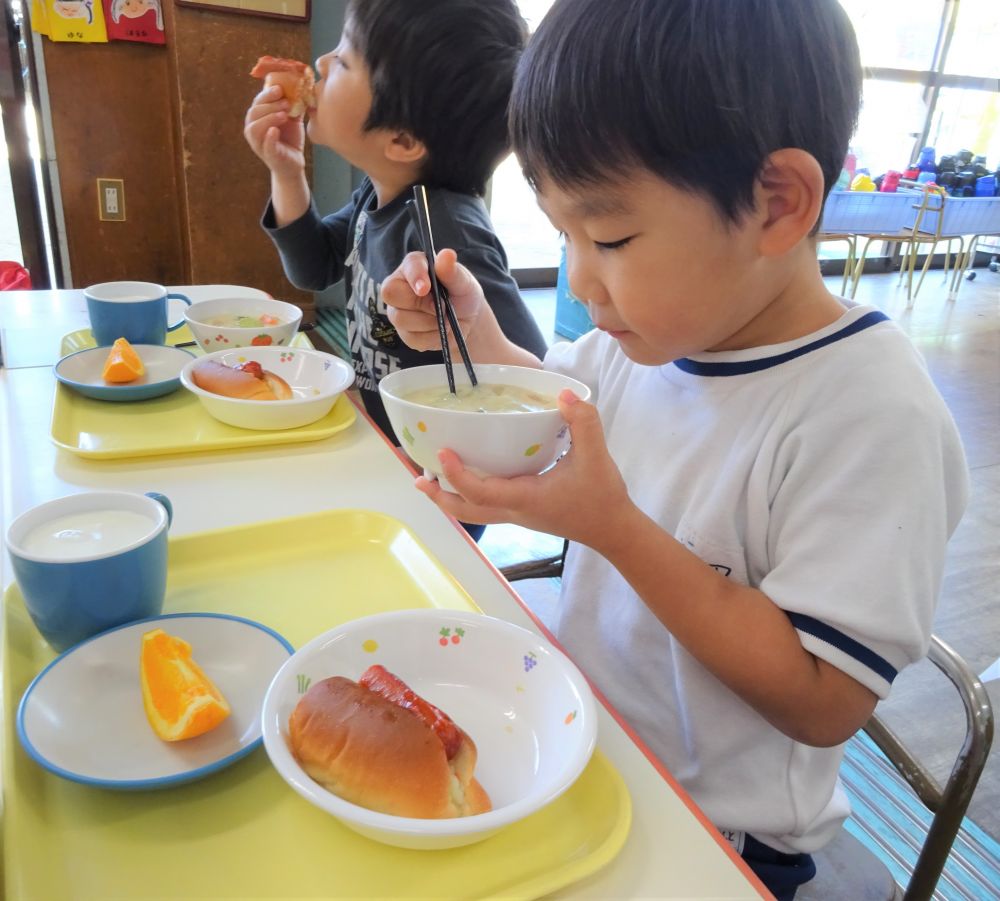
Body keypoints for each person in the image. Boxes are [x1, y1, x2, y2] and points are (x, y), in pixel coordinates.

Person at [380, 0, 969, 897]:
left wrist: (614, 529)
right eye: (564, 233)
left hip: (723, 834)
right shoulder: (645, 343)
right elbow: (545, 400)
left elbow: (823, 698)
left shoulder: (870, 412)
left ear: (776, 204)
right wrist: (474, 333)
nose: (579, 275)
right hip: (587, 742)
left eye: (610, 236)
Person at [242, 0, 548, 455]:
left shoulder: (447, 230)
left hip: (441, 471)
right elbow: (316, 265)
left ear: (402, 140)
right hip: (389, 446)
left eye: (344, 60)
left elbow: (534, 375)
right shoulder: (379, 192)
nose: (321, 63)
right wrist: (286, 171)